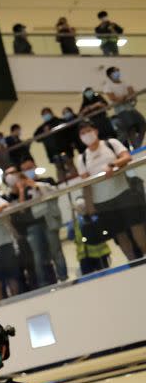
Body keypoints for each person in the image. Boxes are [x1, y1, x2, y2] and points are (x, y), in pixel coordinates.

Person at [74, 121, 146, 261]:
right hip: (102, 202)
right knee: (119, 233)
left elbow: (127, 157)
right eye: (82, 133)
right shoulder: (81, 158)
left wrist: (113, 165)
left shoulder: (110, 143)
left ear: (95, 131)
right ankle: (132, 261)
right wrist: (90, 207)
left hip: (123, 192)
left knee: (136, 225)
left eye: (88, 131)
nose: (86, 135)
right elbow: (86, 183)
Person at [18, 159, 68, 283]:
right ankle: (44, 282)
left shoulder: (47, 180)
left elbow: (55, 193)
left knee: (56, 250)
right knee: (38, 256)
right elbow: (22, 208)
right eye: (25, 169)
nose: (28, 171)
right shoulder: (24, 188)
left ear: (35, 166)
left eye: (30, 167)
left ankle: (63, 278)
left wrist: (36, 186)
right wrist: (21, 189)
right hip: (33, 223)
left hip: (49, 219)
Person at [103, 66, 145, 149]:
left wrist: (124, 97)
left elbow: (132, 94)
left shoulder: (125, 82)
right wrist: (125, 97)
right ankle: (136, 147)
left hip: (131, 108)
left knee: (142, 124)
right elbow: (114, 98)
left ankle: (138, 146)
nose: (117, 73)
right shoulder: (108, 86)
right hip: (121, 111)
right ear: (110, 75)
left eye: (117, 71)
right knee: (130, 128)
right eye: (115, 71)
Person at [70, 197, 112, 275]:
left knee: (105, 275)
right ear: (76, 209)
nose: (82, 208)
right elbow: (71, 235)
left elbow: (104, 232)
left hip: (100, 254)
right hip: (84, 257)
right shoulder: (75, 222)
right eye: (79, 206)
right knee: (88, 278)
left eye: (83, 205)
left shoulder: (95, 218)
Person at [34, 107, 75, 182]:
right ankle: (62, 185)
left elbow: (69, 132)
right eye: (44, 114)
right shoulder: (42, 128)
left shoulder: (60, 121)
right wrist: (44, 132)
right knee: (59, 169)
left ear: (51, 113)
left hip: (66, 149)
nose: (46, 115)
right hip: (53, 152)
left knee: (70, 165)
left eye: (47, 113)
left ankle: (77, 180)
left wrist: (72, 143)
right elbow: (36, 138)